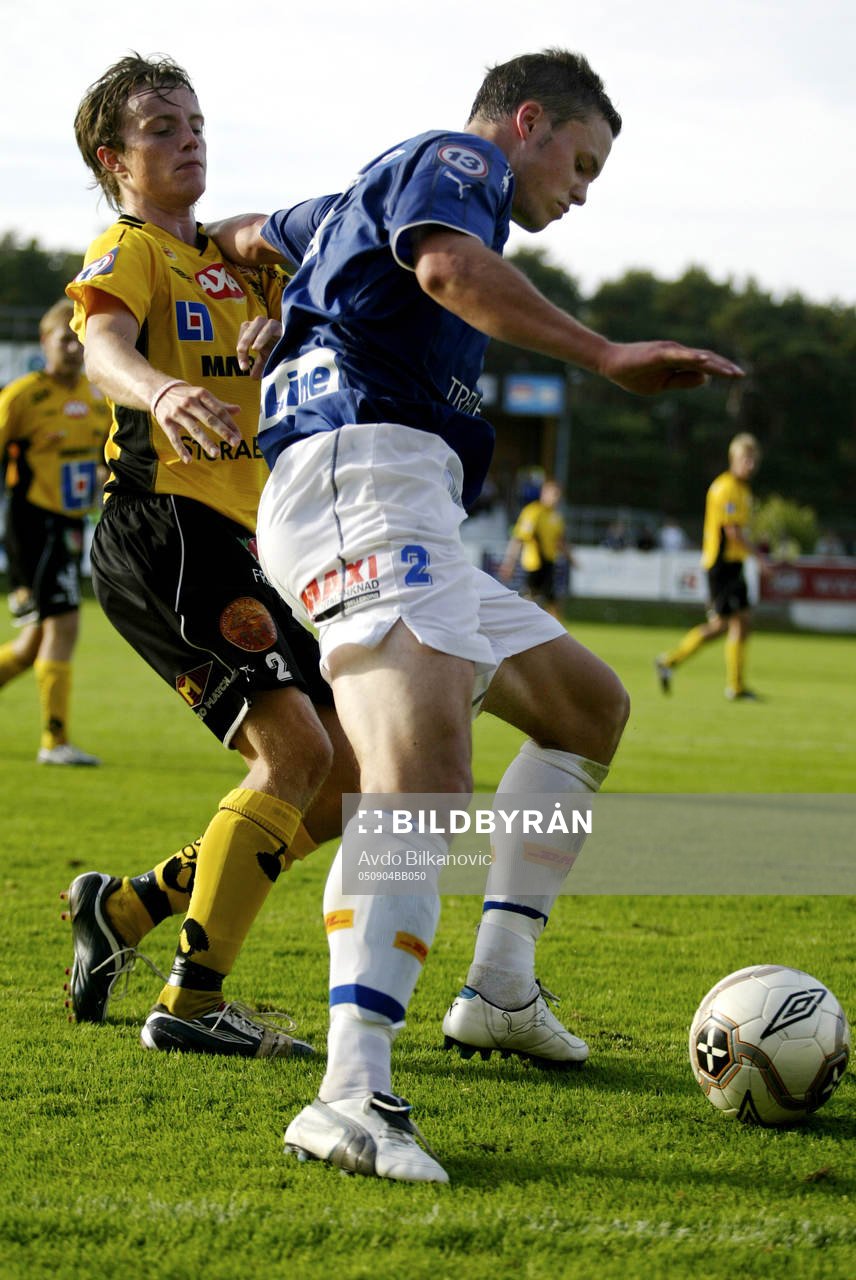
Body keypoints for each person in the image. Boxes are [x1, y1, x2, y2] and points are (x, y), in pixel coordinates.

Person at [214, 47, 743, 1182]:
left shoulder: (362, 195)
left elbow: (253, 232)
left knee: (585, 710)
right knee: (418, 779)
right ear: (527, 121)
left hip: (407, 503)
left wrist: (265, 292)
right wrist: (605, 353)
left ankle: (498, 985)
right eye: (583, 163)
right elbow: (450, 270)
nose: (583, 190)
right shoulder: (459, 166)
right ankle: (350, 1093)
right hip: (361, 481)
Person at [62, 53, 357, 1059]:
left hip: (251, 542)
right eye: (159, 128)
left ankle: (134, 911)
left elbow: (321, 315)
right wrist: (156, 388)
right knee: (298, 754)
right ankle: (191, 1005)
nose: (188, 137)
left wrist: (287, 324)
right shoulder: (130, 246)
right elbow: (100, 348)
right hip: (166, 528)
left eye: (194, 120)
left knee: (347, 776)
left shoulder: (241, 266)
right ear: (115, 159)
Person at [0, 300, 110, 765]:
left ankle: (55, 740)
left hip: (70, 526)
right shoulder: (24, 396)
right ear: (44, 342)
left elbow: (107, 460)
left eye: (79, 338)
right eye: (63, 338)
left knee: (30, 646)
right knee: (63, 626)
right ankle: (54, 742)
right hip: (33, 526)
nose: (72, 346)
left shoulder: (97, 395)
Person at [655, 433, 765, 700]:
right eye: (745, 458)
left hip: (733, 563)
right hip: (720, 565)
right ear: (733, 459)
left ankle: (736, 687)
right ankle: (669, 661)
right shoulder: (725, 487)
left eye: (753, 459)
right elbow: (732, 531)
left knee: (741, 622)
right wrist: (761, 558)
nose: (749, 464)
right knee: (721, 625)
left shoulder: (742, 489)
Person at [499, 478, 574, 617]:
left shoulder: (556, 517)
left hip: (550, 563)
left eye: (558, 495)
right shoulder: (532, 512)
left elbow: (560, 541)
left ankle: (554, 632)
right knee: (530, 600)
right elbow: (518, 539)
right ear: (543, 494)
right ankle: (524, 628)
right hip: (533, 564)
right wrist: (509, 563)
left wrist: (571, 559)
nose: (556, 498)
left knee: (552, 601)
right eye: (554, 494)